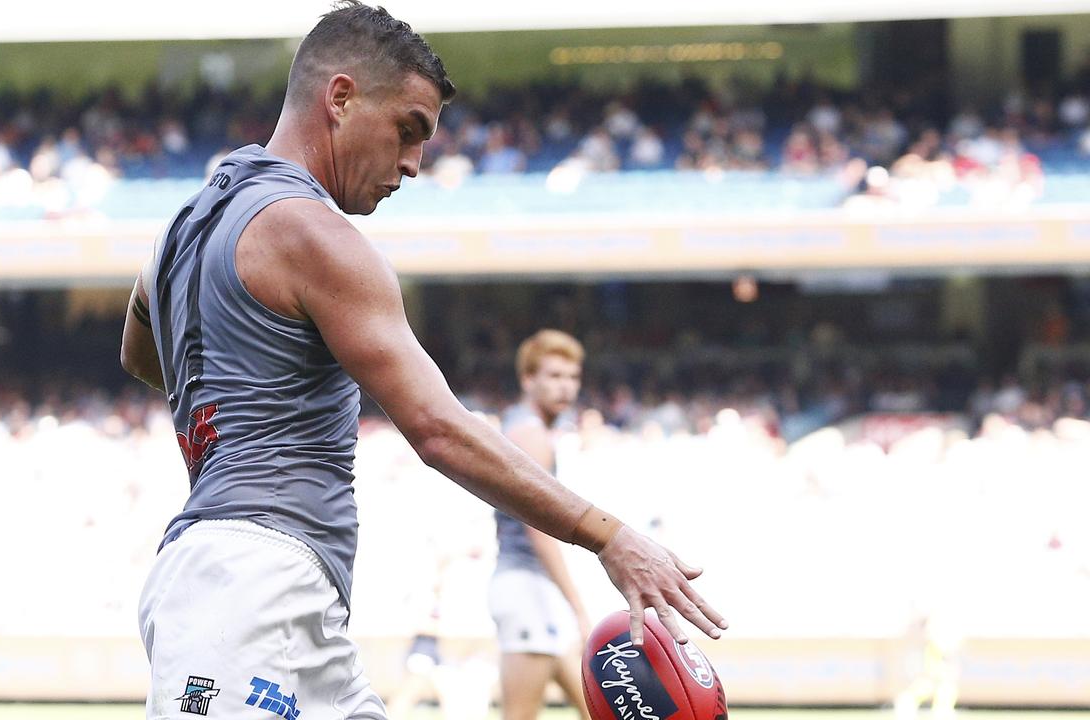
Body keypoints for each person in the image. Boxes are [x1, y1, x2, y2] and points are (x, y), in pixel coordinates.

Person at [120, 3, 726, 718]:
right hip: (253, 584)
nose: (412, 163)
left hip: (244, 578)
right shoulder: (314, 233)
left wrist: (257, 377)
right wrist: (609, 536)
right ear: (340, 98)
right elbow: (437, 430)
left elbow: (141, 355)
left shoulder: (183, 225)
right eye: (408, 130)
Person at [491, 330, 591, 720]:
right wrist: (578, 606)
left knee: (599, 707)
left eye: (572, 376)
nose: (565, 386)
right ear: (528, 380)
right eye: (553, 376)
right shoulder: (530, 435)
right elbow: (539, 531)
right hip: (526, 585)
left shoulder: (532, 430)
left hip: (536, 591)